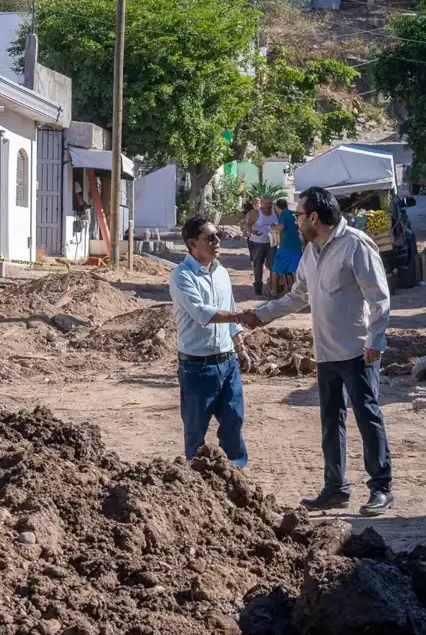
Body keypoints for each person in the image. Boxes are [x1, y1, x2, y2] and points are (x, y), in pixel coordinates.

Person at [240, 187, 394, 516]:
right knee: (330, 421)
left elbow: (378, 297)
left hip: (357, 351)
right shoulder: (311, 252)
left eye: (297, 214)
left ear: (313, 217)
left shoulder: (355, 244)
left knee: (367, 417)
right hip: (326, 353)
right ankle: (335, 488)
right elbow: (298, 295)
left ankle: (381, 487)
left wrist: (375, 341)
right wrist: (262, 315)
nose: (294, 220)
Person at [169, 217, 253, 469]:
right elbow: (204, 312)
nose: (217, 242)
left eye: (217, 236)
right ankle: (195, 483)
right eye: (210, 238)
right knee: (196, 430)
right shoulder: (182, 277)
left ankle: (236, 474)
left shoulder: (222, 273)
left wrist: (240, 346)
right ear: (193, 243)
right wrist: (241, 317)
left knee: (233, 421)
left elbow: (229, 310)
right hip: (197, 367)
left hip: (227, 362)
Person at [246, 196, 279, 296]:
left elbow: (280, 224)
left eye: (271, 203)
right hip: (257, 243)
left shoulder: (275, 212)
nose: (269, 205)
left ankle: (273, 289)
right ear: (262, 203)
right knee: (258, 266)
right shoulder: (255, 213)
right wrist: (252, 231)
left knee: (273, 266)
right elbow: (247, 225)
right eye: (267, 203)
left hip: (271, 243)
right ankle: (258, 287)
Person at [270, 198, 303, 295]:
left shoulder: (283, 214)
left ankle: (274, 290)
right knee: (294, 269)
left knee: (275, 268)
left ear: (277, 207)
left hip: (287, 245)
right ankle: (296, 291)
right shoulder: (293, 214)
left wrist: (273, 227)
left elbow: (280, 228)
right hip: (297, 244)